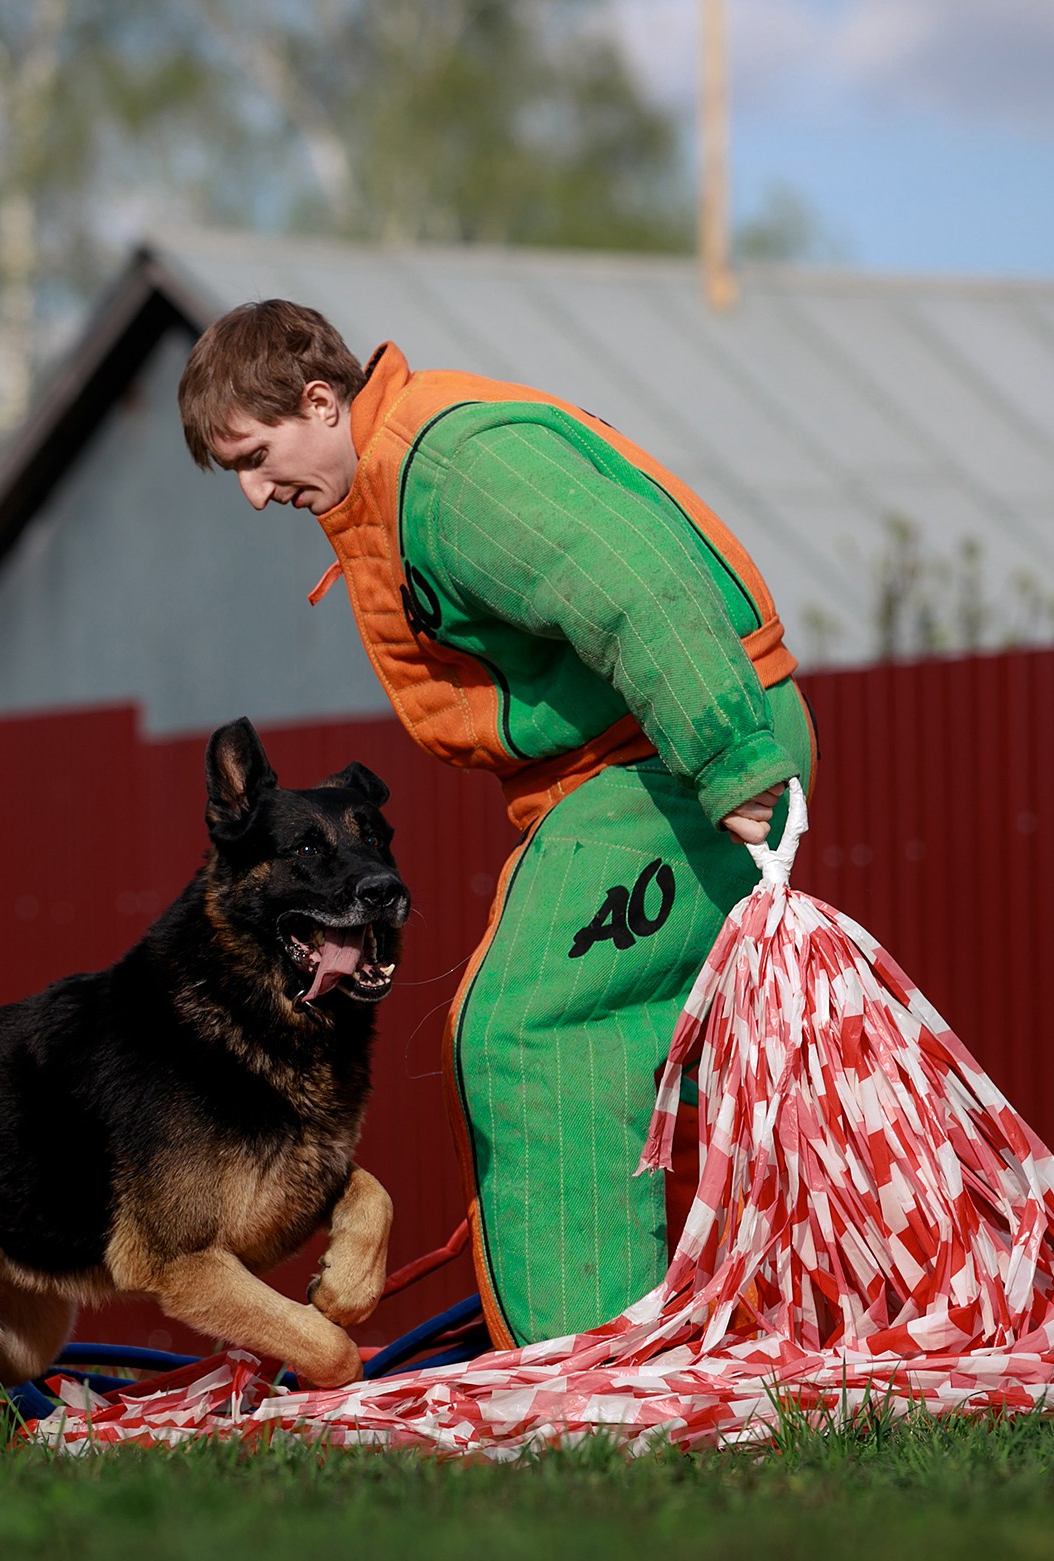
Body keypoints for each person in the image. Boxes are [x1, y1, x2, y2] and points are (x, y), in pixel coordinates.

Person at [178, 300, 813, 1349]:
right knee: (645, 1051)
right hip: (637, 759)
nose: (252, 494)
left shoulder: (456, 473)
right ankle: (697, 1332)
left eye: (253, 456)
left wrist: (728, 756)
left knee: (529, 1029)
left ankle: (593, 1376)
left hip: (685, 746)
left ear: (319, 402)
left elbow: (634, 581)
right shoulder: (389, 484)